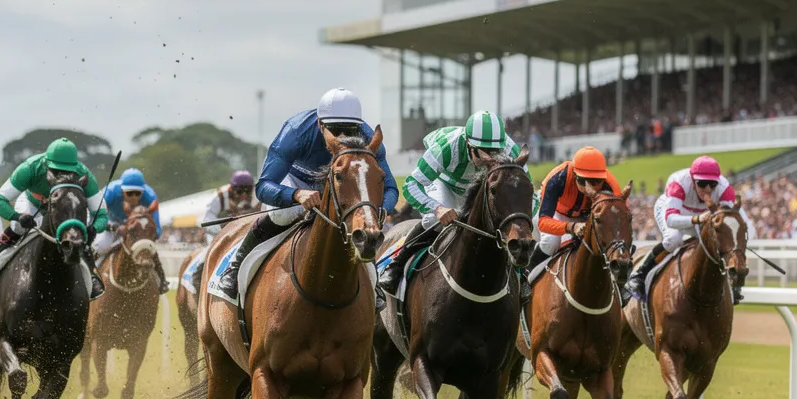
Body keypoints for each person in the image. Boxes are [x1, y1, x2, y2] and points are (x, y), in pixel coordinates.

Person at [216, 88, 398, 307]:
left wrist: (376, 211)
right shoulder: (296, 132)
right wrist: (295, 194)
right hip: (295, 182)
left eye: (349, 129)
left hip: (341, 186)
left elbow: (390, 189)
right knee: (284, 214)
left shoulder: (368, 138)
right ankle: (235, 266)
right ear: (320, 124)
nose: (342, 136)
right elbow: (263, 186)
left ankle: (373, 281)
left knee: (361, 228)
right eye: (335, 129)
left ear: (358, 126)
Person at [378, 110, 532, 297]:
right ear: (468, 144)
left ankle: (520, 274)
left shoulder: (509, 149)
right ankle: (396, 266)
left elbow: (530, 196)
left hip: (484, 189)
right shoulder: (446, 148)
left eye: (495, 151)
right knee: (431, 221)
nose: (489, 158)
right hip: (446, 185)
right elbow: (411, 185)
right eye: (483, 152)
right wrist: (437, 208)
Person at [0, 137, 108, 299]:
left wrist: (94, 228)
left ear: (75, 167)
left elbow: (101, 214)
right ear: (46, 164)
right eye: (56, 171)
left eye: (67, 171)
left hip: (66, 210)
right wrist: (18, 216)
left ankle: (90, 274)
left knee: (77, 234)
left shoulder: (85, 175)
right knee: (18, 227)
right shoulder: (30, 168)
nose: (61, 175)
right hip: (34, 205)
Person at [625, 155, 749, 304]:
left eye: (712, 184)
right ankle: (639, 275)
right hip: (673, 211)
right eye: (702, 184)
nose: (708, 189)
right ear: (693, 179)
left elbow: (728, 222)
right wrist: (696, 219)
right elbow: (671, 220)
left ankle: (732, 283)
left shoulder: (725, 189)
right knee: (673, 239)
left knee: (714, 243)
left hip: (703, 215)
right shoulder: (679, 183)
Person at [533, 146, 622, 262]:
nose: (589, 187)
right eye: (583, 181)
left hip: (585, 215)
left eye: (596, 181)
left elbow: (619, 218)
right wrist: (571, 227)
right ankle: (530, 273)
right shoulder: (557, 179)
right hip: (557, 212)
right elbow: (543, 222)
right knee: (551, 242)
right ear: (574, 174)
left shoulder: (611, 186)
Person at [95, 167, 169, 295]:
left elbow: (157, 228)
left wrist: (147, 237)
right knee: (101, 245)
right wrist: (111, 226)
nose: (134, 197)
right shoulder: (110, 191)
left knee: (148, 250)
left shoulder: (150, 196)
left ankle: (162, 281)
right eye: (129, 193)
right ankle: (92, 278)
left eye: (137, 193)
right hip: (110, 227)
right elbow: (95, 214)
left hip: (135, 231)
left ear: (143, 191)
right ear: (122, 190)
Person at [200, 171, 258, 238]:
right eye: (239, 191)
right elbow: (208, 218)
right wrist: (221, 234)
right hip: (220, 234)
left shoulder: (258, 195)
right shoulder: (220, 196)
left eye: (248, 190)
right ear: (231, 189)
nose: (244, 195)